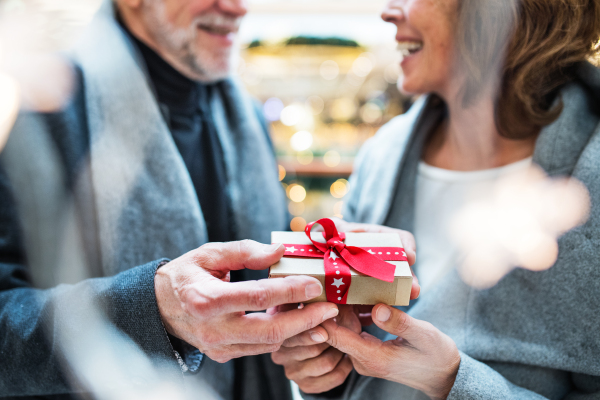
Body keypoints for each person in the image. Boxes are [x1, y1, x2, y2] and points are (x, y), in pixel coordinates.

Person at [0, 0, 341, 398]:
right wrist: (152, 311)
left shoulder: (246, 115)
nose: (238, 7)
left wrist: (311, 355)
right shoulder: (40, 110)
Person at [273, 0, 600, 398]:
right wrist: (321, 368)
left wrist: (452, 381)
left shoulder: (590, 171)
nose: (388, 11)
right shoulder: (382, 156)